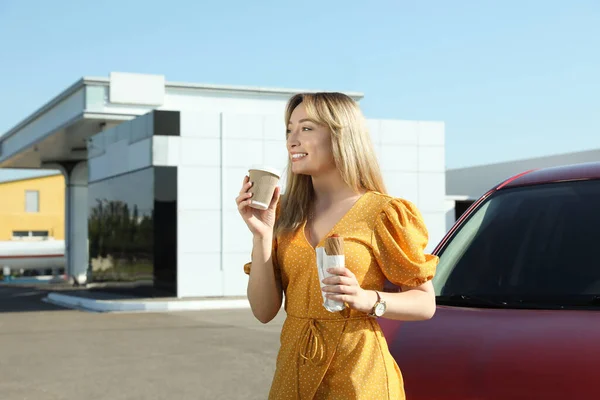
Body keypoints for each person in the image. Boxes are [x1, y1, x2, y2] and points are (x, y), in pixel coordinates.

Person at [236, 92, 439, 399]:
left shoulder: (384, 213)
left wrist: (367, 298)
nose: (292, 139)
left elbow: (425, 304)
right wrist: (261, 235)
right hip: (295, 377)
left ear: (341, 135)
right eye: (289, 130)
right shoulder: (283, 214)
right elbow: (264, 311)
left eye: (306, 128)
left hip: (361, 378)